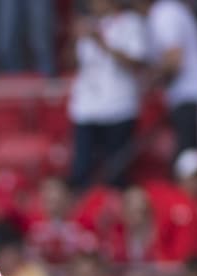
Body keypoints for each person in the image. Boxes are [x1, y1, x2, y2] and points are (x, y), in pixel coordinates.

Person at [68, 0, 148, 189]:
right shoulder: (88, 24)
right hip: (85, 109)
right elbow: (71, 63)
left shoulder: (131, 22)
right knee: (81, 172)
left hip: (118, 108)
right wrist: (74, 39)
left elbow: (136, 63)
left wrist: (101, 42)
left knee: (116, 175)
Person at [135, 0, 197, 159]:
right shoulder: (167, 11)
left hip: (190, 97)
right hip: (190, 96)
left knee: (189, 161)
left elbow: (174, 60)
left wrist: (148, 81)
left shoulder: (164, 13)